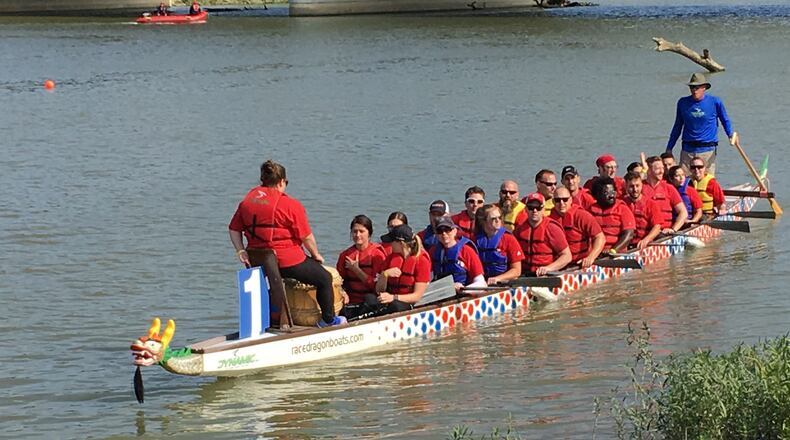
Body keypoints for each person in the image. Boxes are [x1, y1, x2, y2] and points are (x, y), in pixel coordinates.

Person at [229, 160, 345, 327]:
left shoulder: (247, 202)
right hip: (287, 262)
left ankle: (267, 321)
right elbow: (307, 237)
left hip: (257, 260)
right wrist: (316, 255)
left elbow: (233, 229)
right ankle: (329, 320)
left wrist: (241, 251)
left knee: (273, 284)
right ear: (282, 181)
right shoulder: (290, 204)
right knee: (324, 278)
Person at [666, 72, 736, 176]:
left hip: (707, 150)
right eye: (692, 87)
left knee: (707, 183)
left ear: (704, 87)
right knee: (684, 181)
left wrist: (730, 134)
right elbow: (677, 126)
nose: (694, 90)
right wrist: (669, 148)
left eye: (697, 87)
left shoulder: (715, 102)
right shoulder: (683, 102)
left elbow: (725, 120)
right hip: (687, 150)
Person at [375, 224, 432, 314]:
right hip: (390, 298)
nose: (389, 244)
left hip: (409, 304)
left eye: (392, 241)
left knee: (395, 306)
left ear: (401, 243)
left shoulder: (422, 261)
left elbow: (417, 296)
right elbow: (379, 290)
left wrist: (393, 297)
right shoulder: (390, 258)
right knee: (370, 299)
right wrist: (384, 275)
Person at [513, 193, 572, 276]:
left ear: (543, 209)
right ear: (525, 209)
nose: (534, 211)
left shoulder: (552, 228)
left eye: (538, 207)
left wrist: (548, 268)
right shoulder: (519, 228)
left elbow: (567, 256)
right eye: (531, 207)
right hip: (524, 273)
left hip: (547, 274)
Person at [336, 215, 387, 310]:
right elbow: (339, 282)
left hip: (371, 299)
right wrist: (342, 292)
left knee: (370, 299)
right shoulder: (345, 255)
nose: (357, 235)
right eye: (355, 231)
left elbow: (376, 287)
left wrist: (356, 270)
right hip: (351, 299)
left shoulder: (377, 255)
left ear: (369, 233)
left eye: (361, 231)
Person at [549, 187, 605, 268]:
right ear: (553, 202)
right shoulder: (549, 220)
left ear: (571, 200)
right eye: (557, 200)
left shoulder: (582, 216)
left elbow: (600, 237)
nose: (561, 203)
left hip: (580, 263)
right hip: (559, 265)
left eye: (565, 200)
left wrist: (591, 257)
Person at [431, 216, 486, 292]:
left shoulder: (467, 251)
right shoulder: (433, 251)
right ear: (436, 234)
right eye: (440, 231)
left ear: (454, 231)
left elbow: (481, 282)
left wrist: (464, 290)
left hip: (464, 294)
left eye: (447, 230)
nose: (444, 234)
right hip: (442, 293)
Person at [474, 204, 524, 285]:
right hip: (483, 282)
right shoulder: (476, 240)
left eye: (499, 218)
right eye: (493, 219)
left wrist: (498, 278)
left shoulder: (509, 239)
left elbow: (517, 271)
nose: (498, 221)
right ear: (483, 221)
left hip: (505, 282)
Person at [587, 177, 635, 253]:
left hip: (616, 253)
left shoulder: (623, 209)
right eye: (607, 193)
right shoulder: (590, 211)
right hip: (595, 252)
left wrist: (613, 250)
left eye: (613, 192)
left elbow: (629, 234)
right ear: (597, 195)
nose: (611, 196)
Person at [642, 156, 688, 233]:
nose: (661, 171)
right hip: (645, 232)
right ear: (649, 171)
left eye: (662, 168)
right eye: (657, 169)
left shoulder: (669, 188)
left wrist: (673, 229)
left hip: (664, 232)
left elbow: (683, 213)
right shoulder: (639, 187)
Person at [622, 172, 664, 250]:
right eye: (631, 186)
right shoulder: (621, 203)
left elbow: (657, 226)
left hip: (644, 244)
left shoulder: (651, 204)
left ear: (642, 185)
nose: (635, 189)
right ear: (626, 187)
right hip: (625, 245)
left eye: (637, 186)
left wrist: (647, 239)